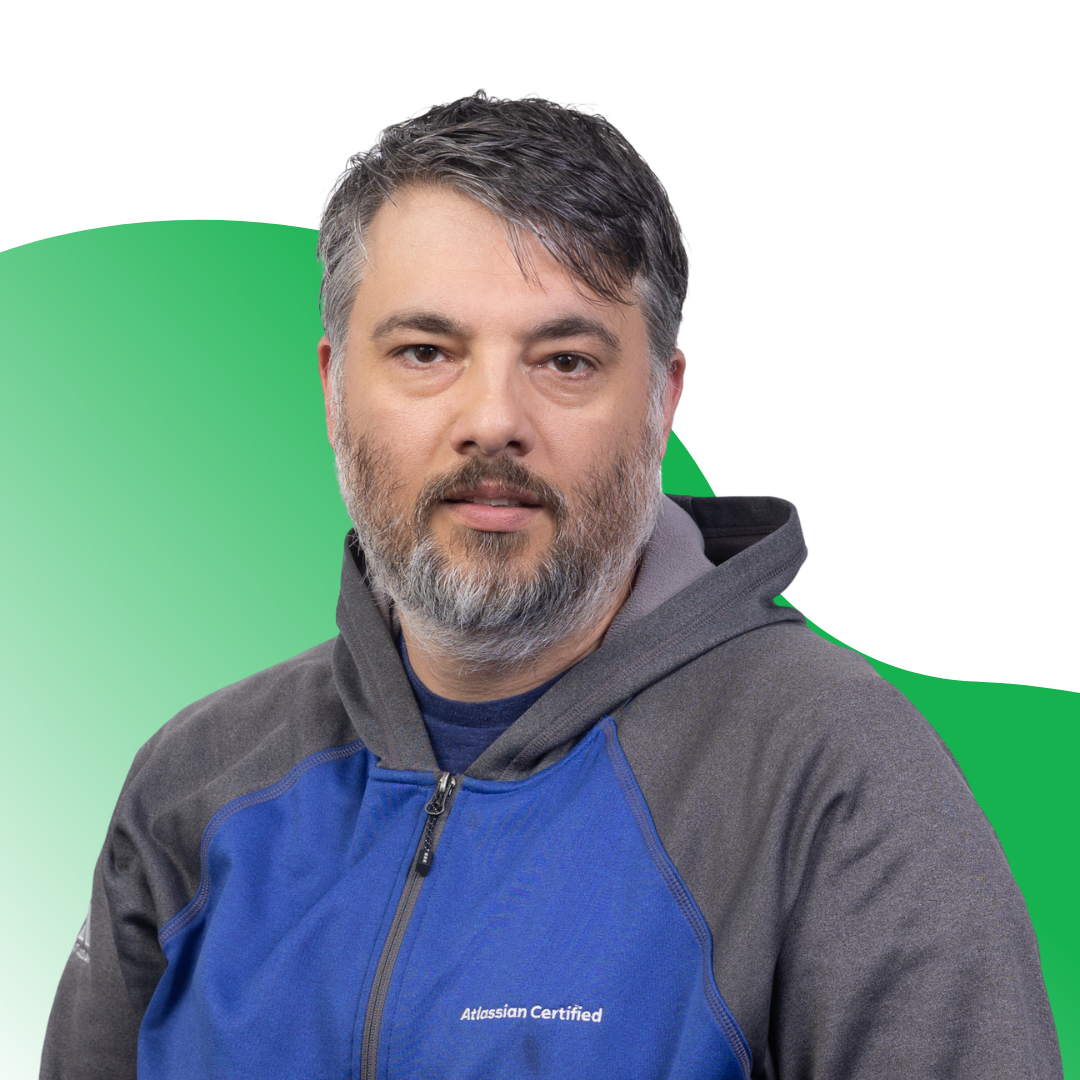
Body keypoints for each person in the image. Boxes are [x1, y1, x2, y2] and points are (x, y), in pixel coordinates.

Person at [41, 92, 1061, 1080]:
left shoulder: (837, 777)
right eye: (426, 352)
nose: (493, 419)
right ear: (333, 389)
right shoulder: (195, 783)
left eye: (565, 361)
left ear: (660, 401)